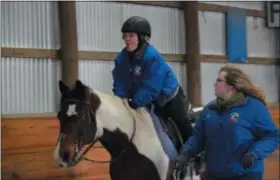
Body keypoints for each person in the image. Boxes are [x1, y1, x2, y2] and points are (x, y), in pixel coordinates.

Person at [174, 64, 279, 180]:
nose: (214, 83)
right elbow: (198, 138)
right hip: (216, 175)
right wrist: (185, 153)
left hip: (246, 175)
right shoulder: (209, 110)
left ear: (231, 86)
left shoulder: (254, 107)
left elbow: (272, 136)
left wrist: (254, 153)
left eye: (219, 80)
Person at [111, 16, 193, 141]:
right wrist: (122, 99)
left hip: (169, 99)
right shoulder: (121, 59)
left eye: (131, 35)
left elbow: (151, 87)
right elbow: (120, 81)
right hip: (145, 100)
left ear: (142, 38)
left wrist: (135, 102)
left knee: (182, 124)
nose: (127, 39)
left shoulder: (152, 57)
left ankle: (196, 154)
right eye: (125, 36)